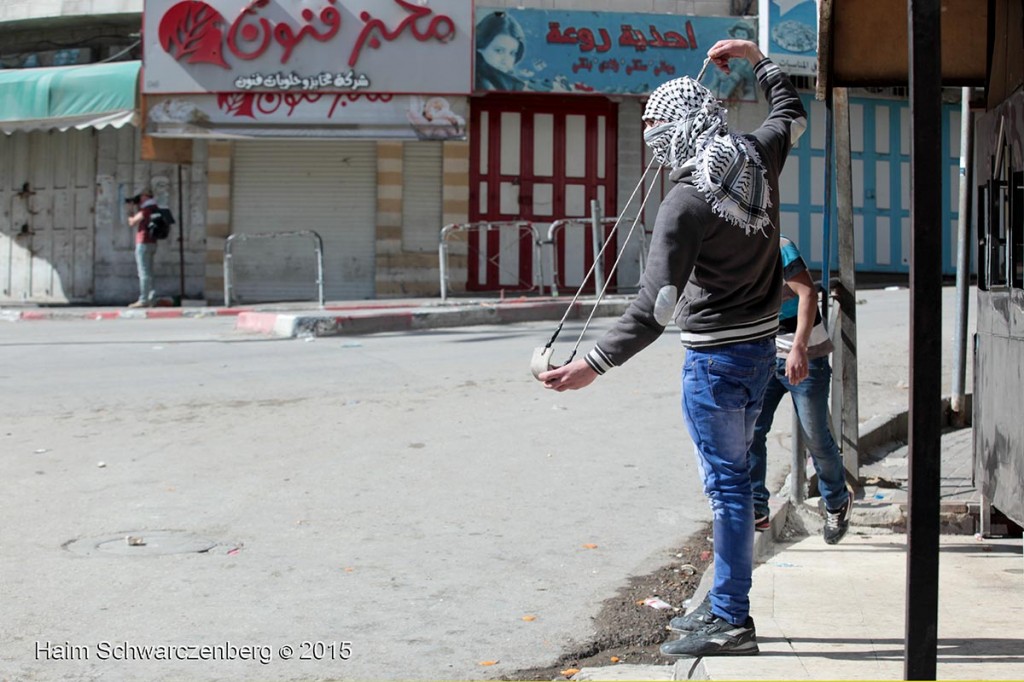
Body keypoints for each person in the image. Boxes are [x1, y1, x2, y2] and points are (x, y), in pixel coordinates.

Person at [538, 39, 806, 657]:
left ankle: (731, 619)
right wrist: (757, 57)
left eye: (658, 128)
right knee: (738, 484)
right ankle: (723, 608)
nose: (654, 141)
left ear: (682, 126)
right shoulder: (757, 157)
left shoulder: (685, 202)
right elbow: (788, 108)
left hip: (714, 365)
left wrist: (591, 365)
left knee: (729, 490)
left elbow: (655, 308)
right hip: (757, 354)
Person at [749, 236, 852, 542]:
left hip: (805, 355)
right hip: (765, 357)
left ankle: (836, 501)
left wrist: (799, 349)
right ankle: (756, 507)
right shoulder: (735, 248)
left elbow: (808, 294)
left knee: (816, 436)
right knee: (752, 430)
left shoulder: (779, 247)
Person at [475, 11, 527, 91]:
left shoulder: (511, 84)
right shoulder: (480, 83)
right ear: (480, 46)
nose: (506, 61)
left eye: (512, 53)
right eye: (499, 51)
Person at [126, 188, 158, 308]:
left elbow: (132, 222)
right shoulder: (155, 207)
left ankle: (143, 299)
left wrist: (130, 211)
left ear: (145, 196)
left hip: (143, 242)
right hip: (152, 243)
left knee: (143, 272)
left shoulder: (146, 209)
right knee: (149, 272)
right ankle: (152, 298)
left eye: (140, 196)